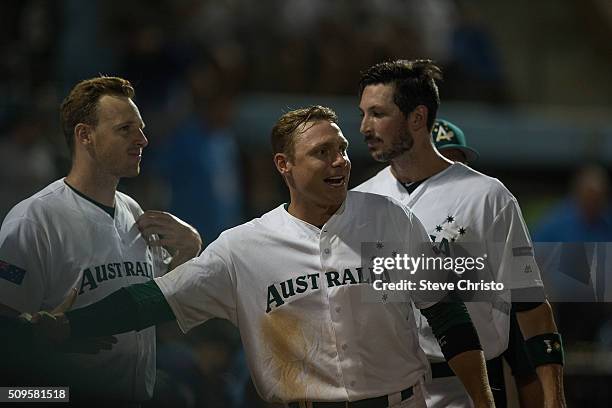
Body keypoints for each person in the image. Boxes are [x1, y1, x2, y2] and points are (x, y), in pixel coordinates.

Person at [31, 106, 496, 408]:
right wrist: (71, 325)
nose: (340, 162)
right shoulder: (243, 247)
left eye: (342, 150)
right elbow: (152, 300)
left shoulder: (390, 219)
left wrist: (483, 401)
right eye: (321, 153)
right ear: (284, 166)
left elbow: (447, 315)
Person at [353, 59, 566, 408]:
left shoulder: (487, 196)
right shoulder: (360, 201)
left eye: (378, 113)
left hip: (470, 389)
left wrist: (554, 399)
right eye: (363, 113)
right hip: (388, 388)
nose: (364, 126)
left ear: (417, 118)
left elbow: (530, 305)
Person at [0, 76, 202, 405]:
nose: (143, 140)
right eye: (126, 129)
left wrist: (190, 251)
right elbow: (5, 345)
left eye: (141, 128)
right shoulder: (35, 219)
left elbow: (156, 311)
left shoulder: (134, 210)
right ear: (85, 136)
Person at [432, 118, 544, 408]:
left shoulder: (489, 207)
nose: (451, 171)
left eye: (458, 162)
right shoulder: (392, 212)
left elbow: (527, 368)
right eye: (443, 160)